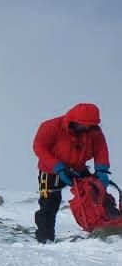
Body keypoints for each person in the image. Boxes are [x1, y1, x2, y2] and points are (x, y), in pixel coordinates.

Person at [32, 102, 111, 243]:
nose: (87, 128)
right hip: (51, 171)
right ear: (74, 120)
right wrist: (58, 168)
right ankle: (45, 239)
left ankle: (101, 229)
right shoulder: (50, 127)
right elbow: (39, 147)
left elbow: (101, 150)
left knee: (94, 196)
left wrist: (102, 170)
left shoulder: (94, 131)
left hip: (78, 168)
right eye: (83, 125)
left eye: (90, 125)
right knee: (49, 204)